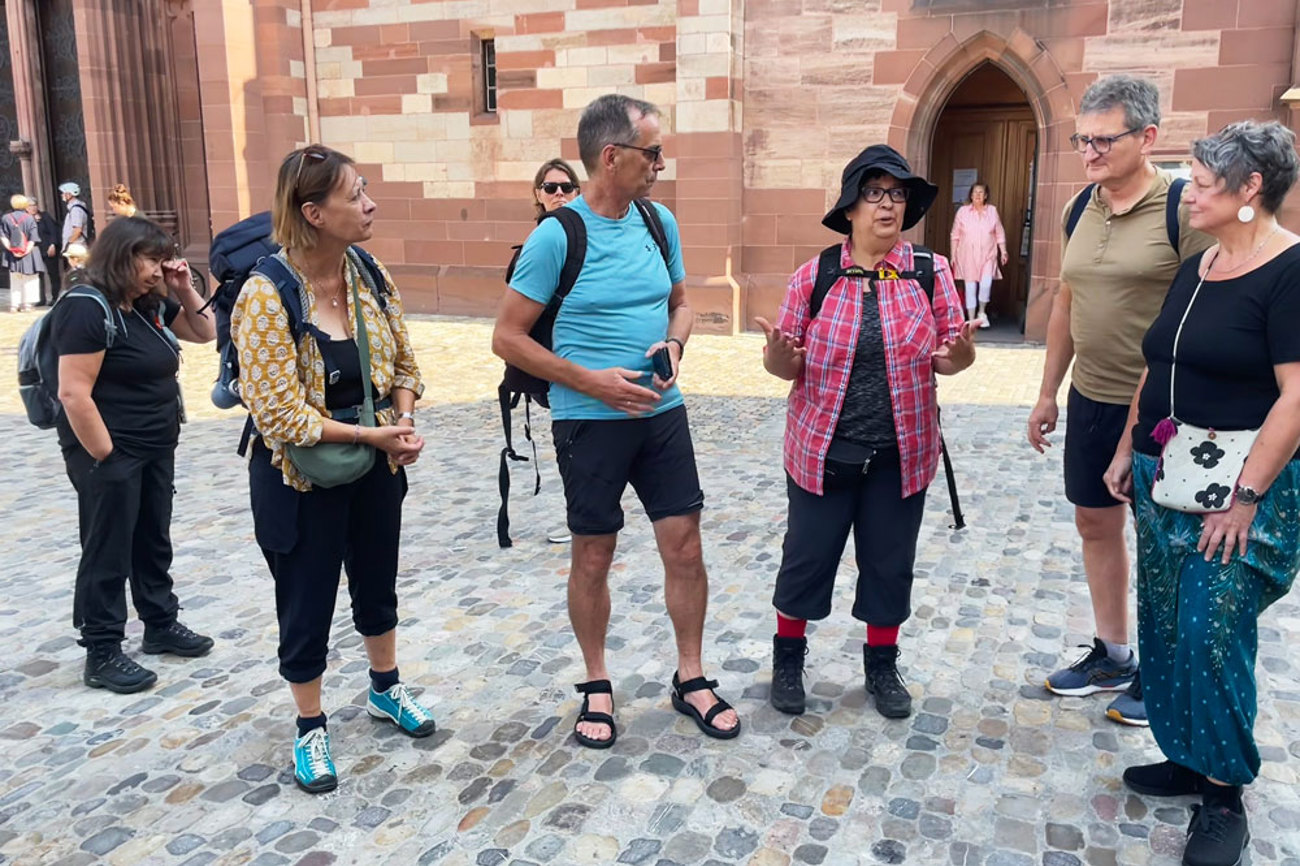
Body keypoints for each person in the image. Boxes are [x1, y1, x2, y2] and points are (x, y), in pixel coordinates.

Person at [493, 94, 740, 748]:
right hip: (588, 422)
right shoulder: (557, 236)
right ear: (612, 157)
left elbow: (682, 304)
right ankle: (596, 682)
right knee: (594, 554)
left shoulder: (659, 223)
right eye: (651, 152)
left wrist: (676, 344)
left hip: (662, 413)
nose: (661, 163)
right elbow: (507, 338)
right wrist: (587, 380)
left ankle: (691, 676)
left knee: (685, 544)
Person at [1103, 120, 1300, 866]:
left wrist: (1246, 497)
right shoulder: (1201, 263)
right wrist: (1128, 444)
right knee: (1165, 623)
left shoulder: (1290, 271)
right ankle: (1187, 755)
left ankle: (1224, 796)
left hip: (1242, 490)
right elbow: (1159, 365)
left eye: (1205, 179)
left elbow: (1296, 396)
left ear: (1252, 188)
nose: (1189, 191)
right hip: (1166, 474)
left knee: (1211, 632)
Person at [230, 145, 431, 795]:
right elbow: (278, 414)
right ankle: (310, 725)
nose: (370, 204)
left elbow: (404, 361)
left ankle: (385, 689)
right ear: (314, 212)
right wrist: (371, 432)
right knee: (306, 598)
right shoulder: (265, 294)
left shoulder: (368, 272)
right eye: (355, 195)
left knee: (377, 582)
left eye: (366, 189)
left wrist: (399, 425)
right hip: (297, 476)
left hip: (375, 460)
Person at [755, 145, 974, 719]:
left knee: (888, 562)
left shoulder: (930, 271)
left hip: (902, 450)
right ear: (851, 207)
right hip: (824, 449)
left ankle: (881, 665)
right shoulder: (816, 275)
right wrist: (777, 356)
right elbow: (787, 367)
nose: (889, 205)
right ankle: (788, 657)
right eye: (876, 193)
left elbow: (948, 358)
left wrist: (962, 354)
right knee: (806, 559)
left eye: (898, 194)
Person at [1028, 74, 1212, 726]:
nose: (1090, 152)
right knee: (1094, 522)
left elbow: (1189, 325)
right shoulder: (1080, 206)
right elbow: (1067, 299)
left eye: (1105, 140)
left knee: (1162, 543)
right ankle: (1114, 654)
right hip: (1090, 397)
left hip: (1163, 412)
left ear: (1148, 138)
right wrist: (1049, 390)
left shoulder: (1183, 209)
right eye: (1083, 139)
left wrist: (1133, 434)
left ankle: (1163, 675)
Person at [51, 216, 216, 693]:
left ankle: (160, 623)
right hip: (110, 450)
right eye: (152, 259)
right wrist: (107, 456)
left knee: (151, 536)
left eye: (165, 259)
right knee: (108, 546)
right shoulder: (87, 308)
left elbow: (205, 332)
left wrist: (182, 287)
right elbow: (73, 393)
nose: (159, 269)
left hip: (155, 444)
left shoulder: (145, 305)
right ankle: (102, 650)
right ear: (121, 257)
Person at [530, 157, 581, 545]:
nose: (558, 193)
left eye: (566, 187)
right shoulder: (542, 238)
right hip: (549, 356)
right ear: (538, 194)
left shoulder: (583, 234)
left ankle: (582, 513)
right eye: (550, 188)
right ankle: (578, 514)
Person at [948, 181, 1006, 327]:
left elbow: (999, 232)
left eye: (981, 193)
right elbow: (955, 235)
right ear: (971, 195)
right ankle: (972, 318)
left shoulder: (992, 211)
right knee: (970, 287)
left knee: (986, 284)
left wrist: (1003, 251)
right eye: (975, 193)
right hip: (967, 255)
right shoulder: (962, 212)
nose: (977, 195)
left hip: (988, 254)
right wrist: (953, 254)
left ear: (986, 196)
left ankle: (982, 312)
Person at [4, 194, 41, 312]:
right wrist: (25, 251)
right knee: (30, 279)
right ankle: (27, 304)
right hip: (28, 253)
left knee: (15, 279)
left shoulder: (6, 218)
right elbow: (33, 238)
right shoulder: (29, 218)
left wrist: (12, 249)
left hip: (12, 254)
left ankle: (14, 304)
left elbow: (3, 236)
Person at [26, 196, 61, 306]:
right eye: (30, 206)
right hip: (35, 250)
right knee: (38, 276)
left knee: (53, 273)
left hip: (48, 248)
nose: (33, 207)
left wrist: (53, 244)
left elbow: (53, 231)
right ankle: (41, 299)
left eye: (35, 205)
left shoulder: (45, 216)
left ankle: (55, 297)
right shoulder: (25, 219)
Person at [59, 182, 90, 252]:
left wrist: (68, 244)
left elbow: (78, 230)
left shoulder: (76, 210)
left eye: (63, 193)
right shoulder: (73, 208)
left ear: (69, 194)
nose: (62, 195)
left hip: (77, 246)